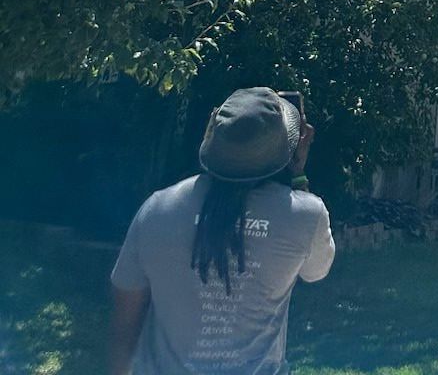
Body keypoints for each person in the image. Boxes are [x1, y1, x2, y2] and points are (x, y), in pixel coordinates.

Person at [108, 86, 335, 375]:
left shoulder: (157, 209)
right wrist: (299, 173)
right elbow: (316, 271)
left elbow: (123, 329)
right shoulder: (305, 216)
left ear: (212, 138)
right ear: (288, 148)